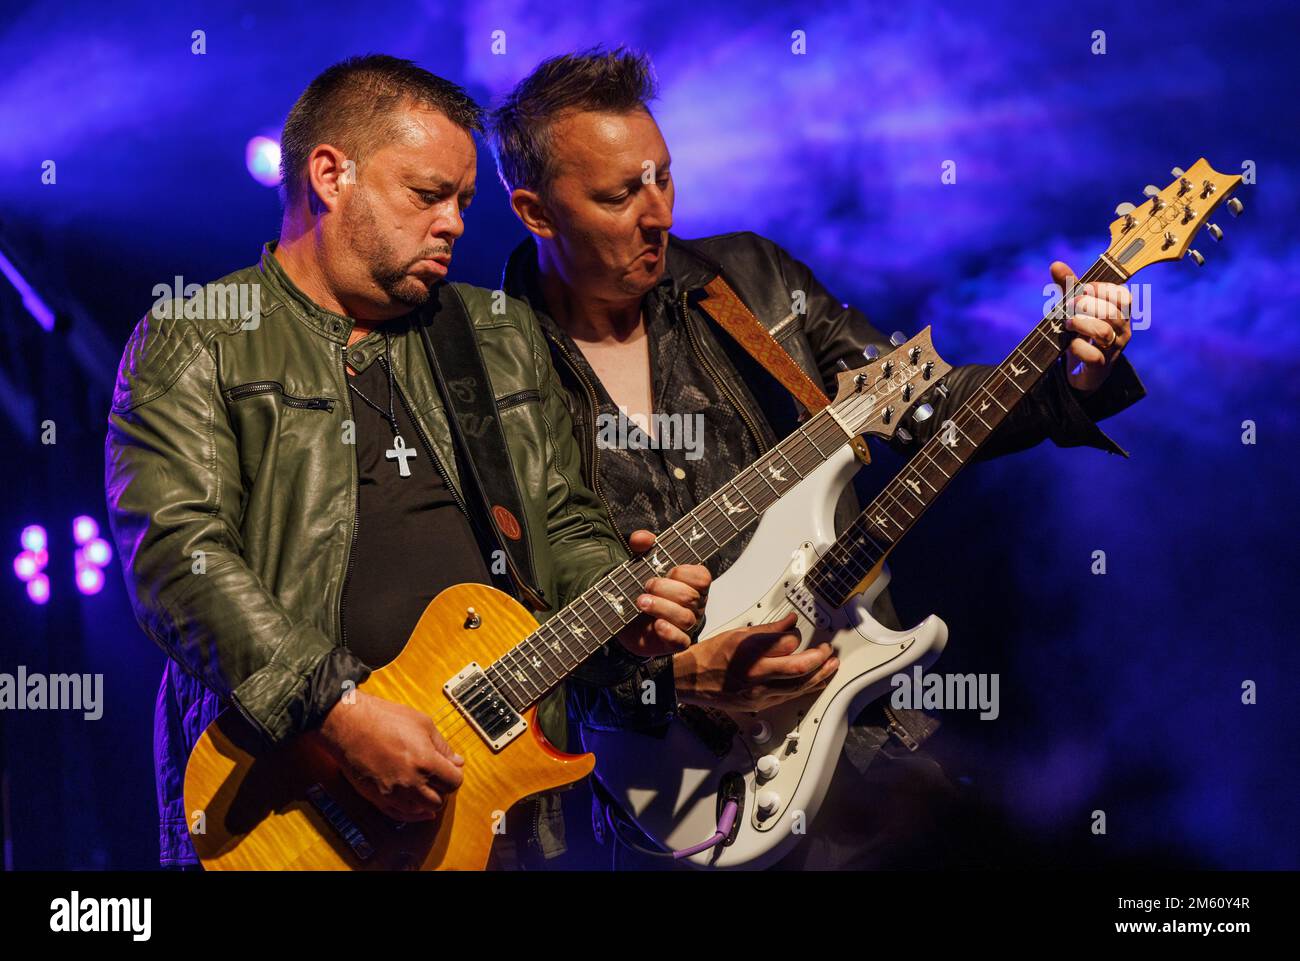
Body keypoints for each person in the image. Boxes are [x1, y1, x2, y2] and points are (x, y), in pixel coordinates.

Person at [488, 47, 1146, 868]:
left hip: (854, 742)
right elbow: (497, 618)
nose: (656, 212)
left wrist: (1072, 376)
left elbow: (925, 407)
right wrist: (676, 677)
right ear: (536, 211)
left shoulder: (750, 281)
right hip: (638, 789)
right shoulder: (487, 361)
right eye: (620, 194)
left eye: (661, 177)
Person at [103, 54, 709, 869]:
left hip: (503, 800)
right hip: (294, 805)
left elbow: (563, 529)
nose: (455, 222)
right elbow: (178, 557)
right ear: (330, 174)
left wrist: (626, 616)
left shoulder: (496, 332)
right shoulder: (200, 335)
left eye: (462, 200)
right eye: (427, 196)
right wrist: (339, 711)